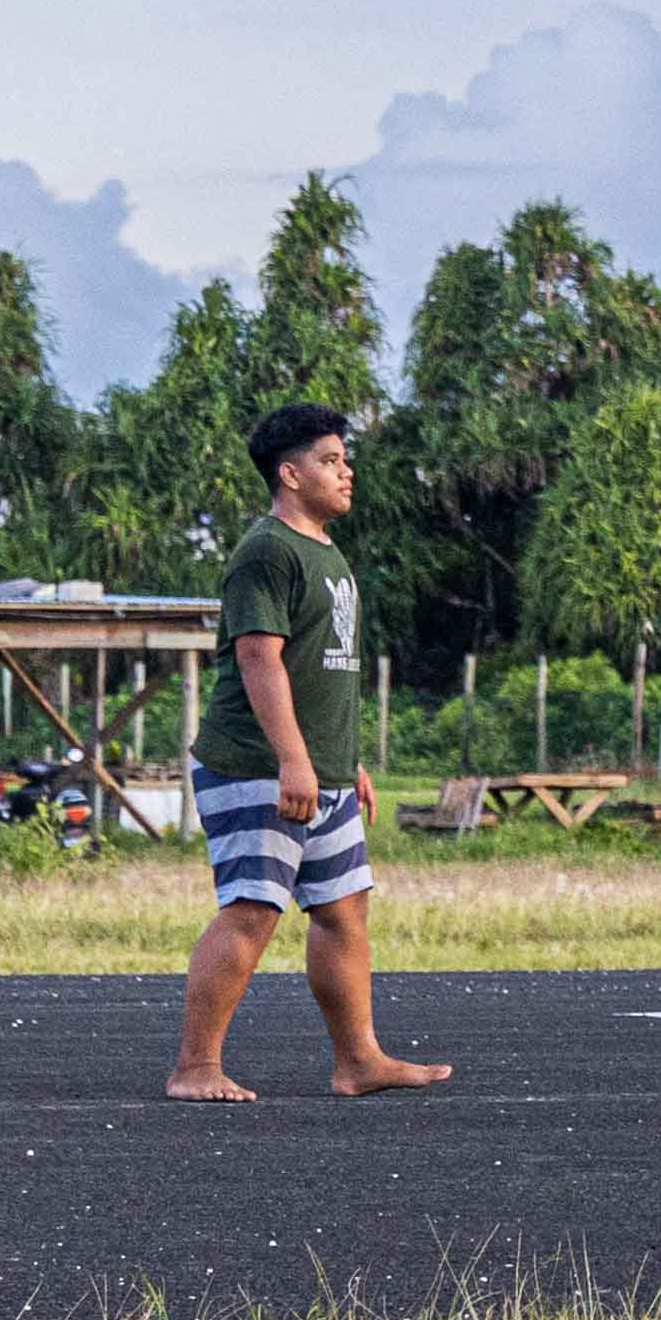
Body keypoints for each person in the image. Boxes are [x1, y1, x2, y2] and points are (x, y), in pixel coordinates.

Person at [167, 402, 453, 1104]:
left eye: (344, 459)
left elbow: (321, 670)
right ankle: (195, 1067)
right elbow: (259, 660)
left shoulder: (324, 552)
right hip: (256, 766)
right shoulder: (266, 551)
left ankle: (358, 1060)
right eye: (330, 460)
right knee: (252, 909)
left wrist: (340, 760)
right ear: (289, 474)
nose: (345, 471)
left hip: (316, 768)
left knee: (342, 910)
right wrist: (294, 760)